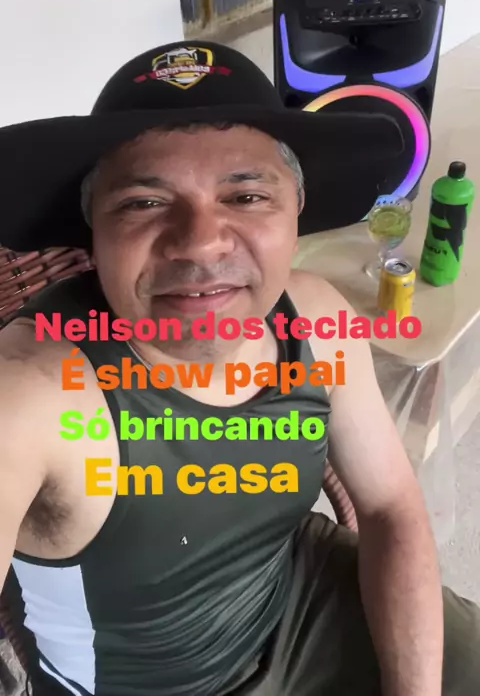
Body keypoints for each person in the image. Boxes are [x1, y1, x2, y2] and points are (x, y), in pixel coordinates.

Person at [0, 40, 478, 696]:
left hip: (295, 596)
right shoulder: (33, 392)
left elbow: (391, 506)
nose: (200, 242)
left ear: (296, 210)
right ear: (94, 231)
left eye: (247, 195)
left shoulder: (314, 317)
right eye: (143, 202)